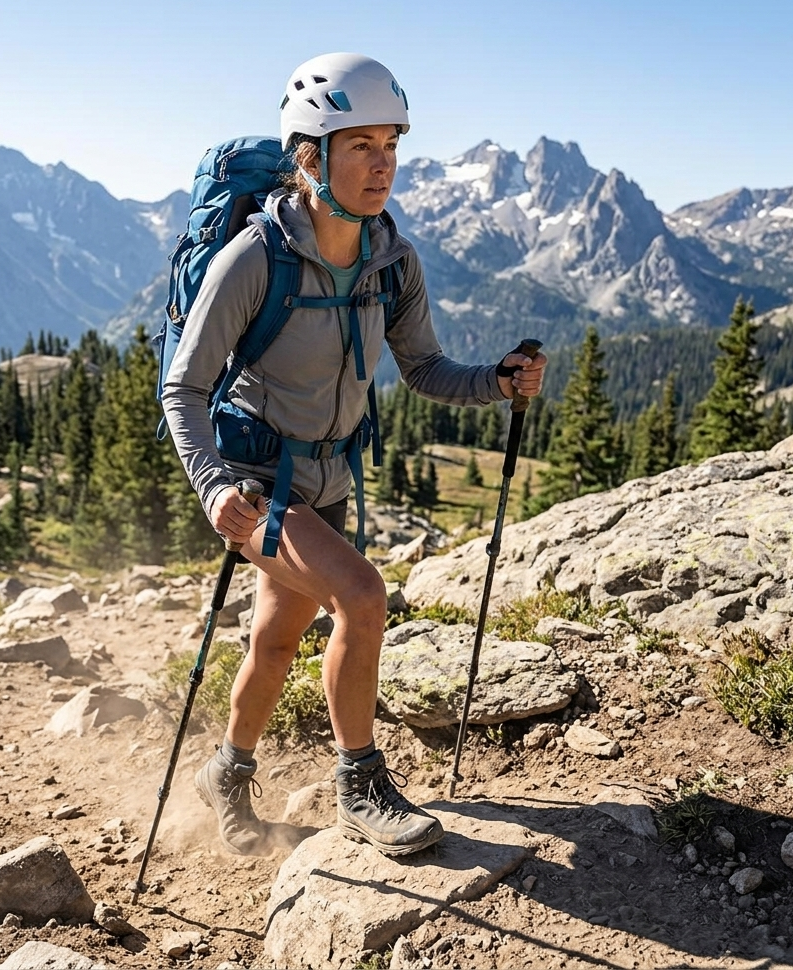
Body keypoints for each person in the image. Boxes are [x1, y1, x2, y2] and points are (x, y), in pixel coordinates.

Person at [161, 53, 546, 858]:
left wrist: (498, 382)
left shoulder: (391, 260)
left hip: (328, 480)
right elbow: (183, 390)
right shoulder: (254, 260)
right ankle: (359, 784)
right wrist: (211, 487)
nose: (383, 165)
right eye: (360, 144)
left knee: (274, 642)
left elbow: (425, 370)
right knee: (362, 597)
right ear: (311, 156)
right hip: (255, 485)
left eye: (391, 145)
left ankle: (224, 773)